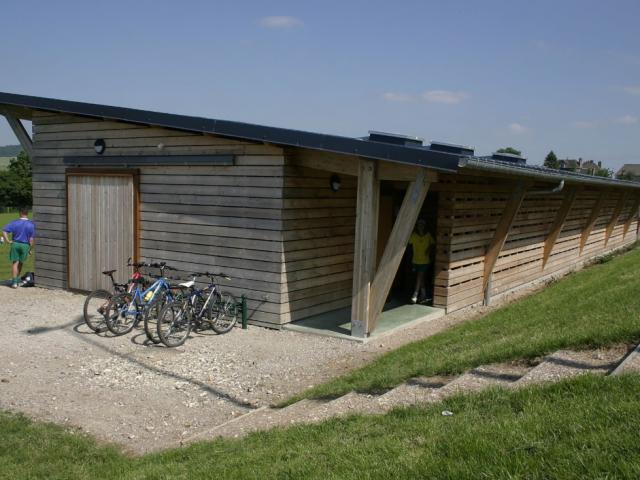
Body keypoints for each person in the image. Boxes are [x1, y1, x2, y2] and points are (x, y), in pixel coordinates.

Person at [2, 208, 36, 289]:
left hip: (15, 244)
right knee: (20, 263)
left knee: (15, 263)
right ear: (27, 214)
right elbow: (31, 240)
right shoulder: (31, 224)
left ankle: (14, 283)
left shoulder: (14, 222)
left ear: (20, 213)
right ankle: (17, 280)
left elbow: (4, 230)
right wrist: (30, 249)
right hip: (25, 245)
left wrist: (7, 240)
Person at [408, 218, 434, 304]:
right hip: (415, 261)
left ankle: (415, 295)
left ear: (425, 226)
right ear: (417, 226)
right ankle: (423, 294)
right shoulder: (414, 236)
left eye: (422, 225)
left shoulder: (428, 235)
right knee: (421, 278)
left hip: (425, 261)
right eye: (419, 225)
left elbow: (433, 243)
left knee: (419, 276)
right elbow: (408, 243)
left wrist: (429, 249)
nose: (421, 226)